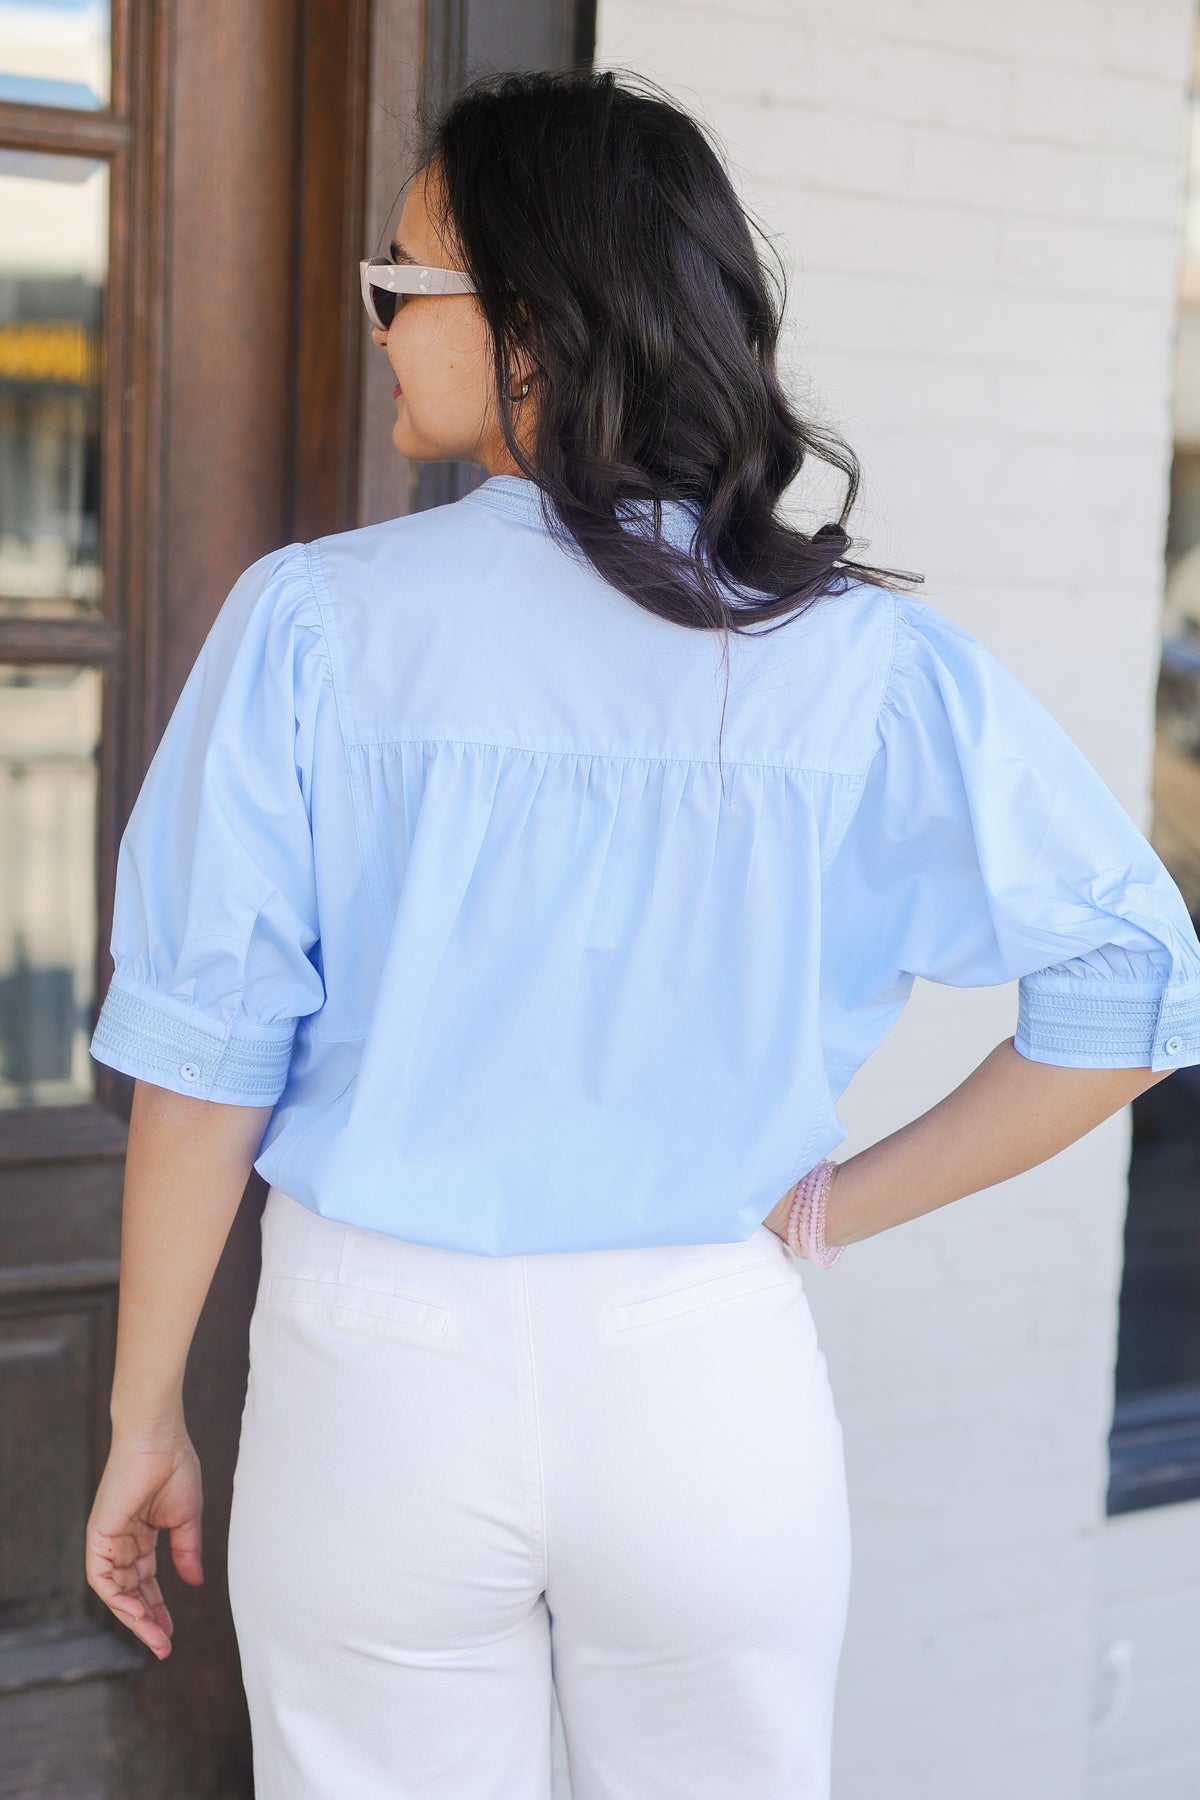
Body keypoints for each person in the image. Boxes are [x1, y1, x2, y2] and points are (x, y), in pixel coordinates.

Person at [83, 64, 1200, 1800]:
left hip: (377, 1377)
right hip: (705, 1366)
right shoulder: (860, 665)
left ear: (531, 321)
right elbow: (1135, 984)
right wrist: (830, 1207)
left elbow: (204, 1058)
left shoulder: (315, 629)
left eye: (401, 282)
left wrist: (144, 1407)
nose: (376, 320)